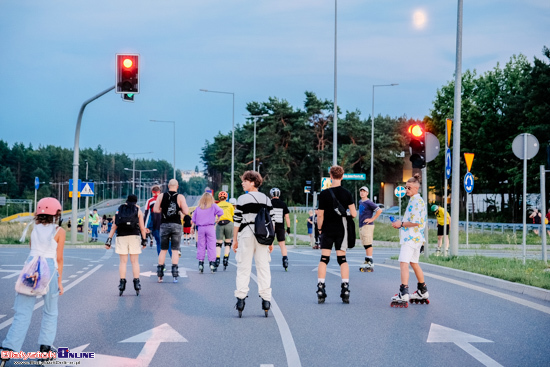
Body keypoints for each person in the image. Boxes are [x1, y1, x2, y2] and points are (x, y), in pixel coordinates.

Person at [0, 198, 65, 364]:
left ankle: (8, 349)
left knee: (22, 311)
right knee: (50, 311)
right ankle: (45, 349)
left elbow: (32, 249)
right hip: (49, 269)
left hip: (31, 267)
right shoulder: (59, 231)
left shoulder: (33, 228)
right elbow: (59, 258)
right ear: (57, 213)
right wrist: (59, 282)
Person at [233, 171, 274, 317]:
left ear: (252, 182)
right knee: (263, 267)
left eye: (244, 181)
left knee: (243, 267)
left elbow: (237, 220)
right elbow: (271, 220)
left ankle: (241, 299)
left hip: (246, 234)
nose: (242, 183)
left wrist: (235, 239)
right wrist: (271, 240)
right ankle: (266, 300)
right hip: (263, 235)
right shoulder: (266, 199)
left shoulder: (242, 199)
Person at [316, 165, 357, 304]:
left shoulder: (324, 194)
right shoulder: (347, 193)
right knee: (342, 260)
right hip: (342, 229)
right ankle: (345, 288)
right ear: (342, 176)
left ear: (330, 176)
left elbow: (320, 215)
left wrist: (320, 229)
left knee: (324, 259)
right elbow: (354, 214)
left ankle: (321, 287)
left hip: (327, 229)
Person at [390, 174, 429, 307]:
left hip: (411, 238)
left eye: (409, 188)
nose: (406, 190)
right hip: (417, 238)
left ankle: (404, 291)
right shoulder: (416, 200)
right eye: (406, 187)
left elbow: (416, 222)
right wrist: (400, 223)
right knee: (414, 263)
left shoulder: (416, 202)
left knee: (403, 263)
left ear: (416, 188)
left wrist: (401, 224)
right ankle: (422, 290)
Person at [105, 195, 147, 296]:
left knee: (123, 262)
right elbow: (142, 227)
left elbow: (114, 225)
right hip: (134, 236)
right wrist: (144, 240)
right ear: (136, 202)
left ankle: (122, 283)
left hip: (121, 236)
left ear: (126, 201)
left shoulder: (120, 209)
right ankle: (136, 283)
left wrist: (109, 239)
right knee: (135, 262)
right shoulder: (138, 210)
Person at [153, 179, 189, 283]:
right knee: (174, 249)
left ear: (168, 186)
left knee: (163, 249)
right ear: (177, 187)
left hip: (164, 225)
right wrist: (180, 210)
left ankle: (160, 274)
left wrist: (163, 210)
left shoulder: (161, 196)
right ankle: (175, 273)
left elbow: (155, 210)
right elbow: (186, 211)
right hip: (176, 225)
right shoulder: (180, 197)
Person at [193, 193, 223, 273]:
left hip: (201, 228)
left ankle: (201, 263)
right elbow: (221, 212)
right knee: (211, 246)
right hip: (210, 227)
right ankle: (212, 264)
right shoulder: (213, 206)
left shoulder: (198, 208)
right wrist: (218, 219)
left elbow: (194, 219)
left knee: (201, 245)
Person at [358, 186, 382, 272]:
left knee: (368, 243)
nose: (362, 193)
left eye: (364, 191)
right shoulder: (360, 201)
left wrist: (372, 219)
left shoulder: (369, 202)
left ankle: (370, 262)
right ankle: (367, 260)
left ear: (367, 193)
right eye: (361, 191)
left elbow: (379, 210)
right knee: (365, 243)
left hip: (368, 225)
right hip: (361, 225)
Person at [145, 186, 171, 257]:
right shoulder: (166, 199)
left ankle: (161, 263)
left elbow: (147, 215)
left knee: (159, 243)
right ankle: (174, 261)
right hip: (166, 224)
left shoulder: (150, 201)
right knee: (168, 243)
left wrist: (145, 227)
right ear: (160, 191)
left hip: (156, 225)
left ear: (152, 192)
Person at [269, 188, 291, 271]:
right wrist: (288, 228)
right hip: (280, 226)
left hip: (271, 226)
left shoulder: (269, 203)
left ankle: (266, 260)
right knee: (282, 244)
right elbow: (287, 217)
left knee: (269, 243)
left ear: (271, 194)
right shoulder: (283, 204)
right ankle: (285, 259)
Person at [215, 191, 235, 270]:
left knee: (218, 243)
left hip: (220, 224)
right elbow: (233, 215)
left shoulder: (217, 205)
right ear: (226, 198)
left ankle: (217, 258)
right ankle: (226, 258)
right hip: (229, 223)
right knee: (228, 242)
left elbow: (215, 216)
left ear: (219, 198)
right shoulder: (230, 205)